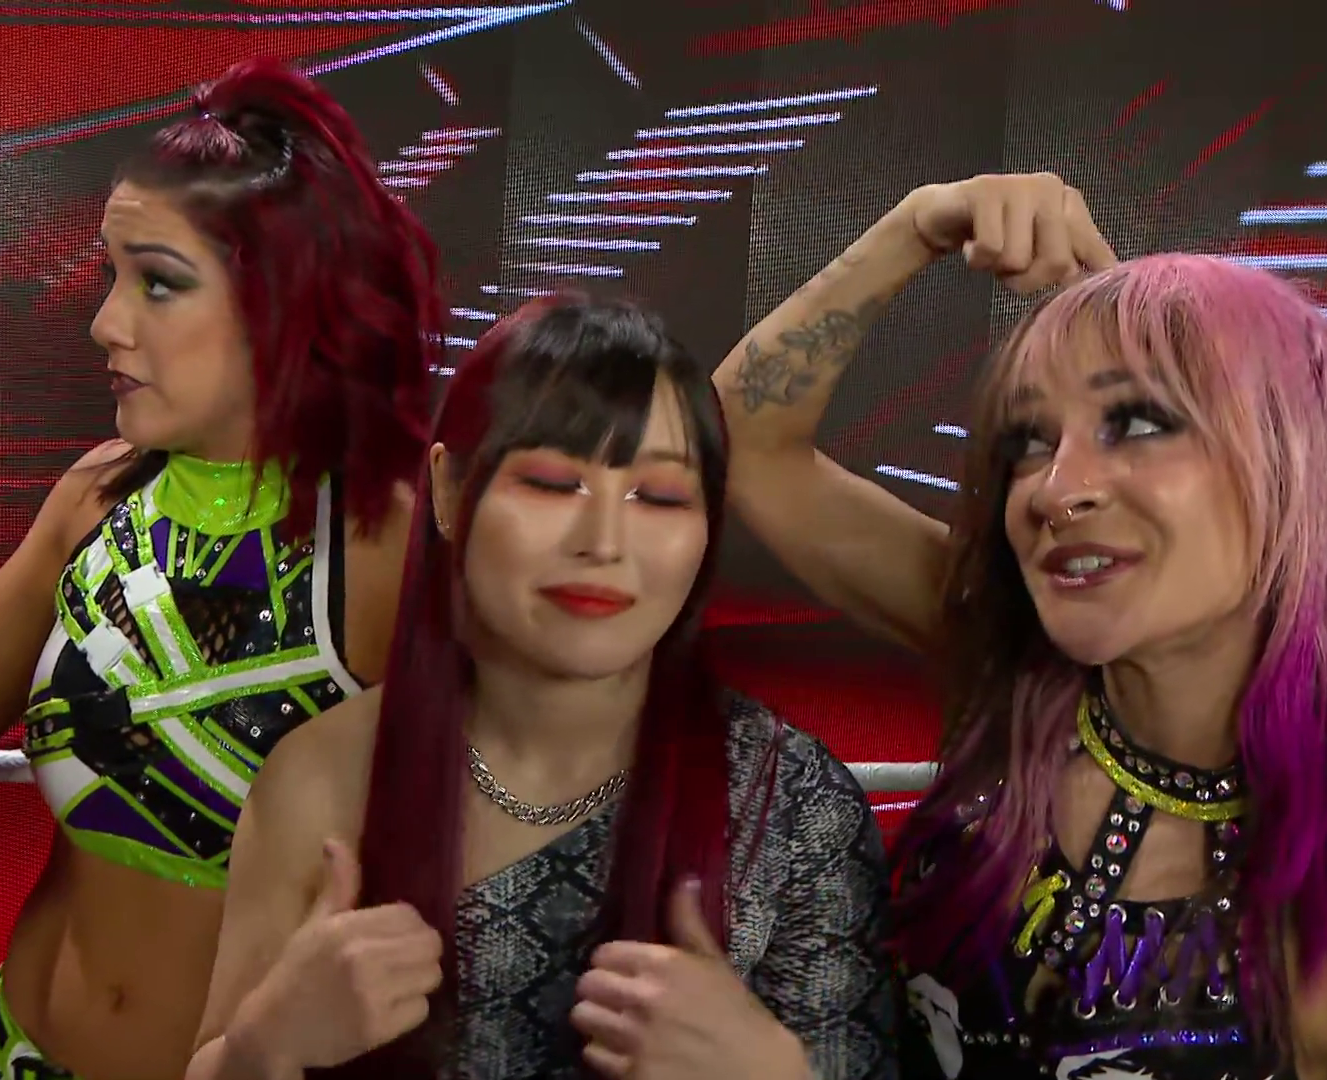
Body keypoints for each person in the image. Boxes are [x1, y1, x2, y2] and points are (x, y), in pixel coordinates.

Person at [713, 172, 1327, 1079]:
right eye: (1030, 441)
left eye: (1141, 422)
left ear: (1298, 471)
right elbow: (740, 440)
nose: (1055, 489)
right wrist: (918, 224)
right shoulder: (1016, 676)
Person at [0, 58, 442, 1079]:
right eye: (112, 275)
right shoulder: (96, 496)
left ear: (284, 300)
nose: (105, 322)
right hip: (10, 1057)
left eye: (157, 281)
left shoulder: (389, 548)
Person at [186, 296, 897, 1079]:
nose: (604, 542)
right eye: (555, 484)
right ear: (449, 490)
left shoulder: (793, 807)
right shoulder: (322, 777)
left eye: (659, 497)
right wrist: (265, 1048)